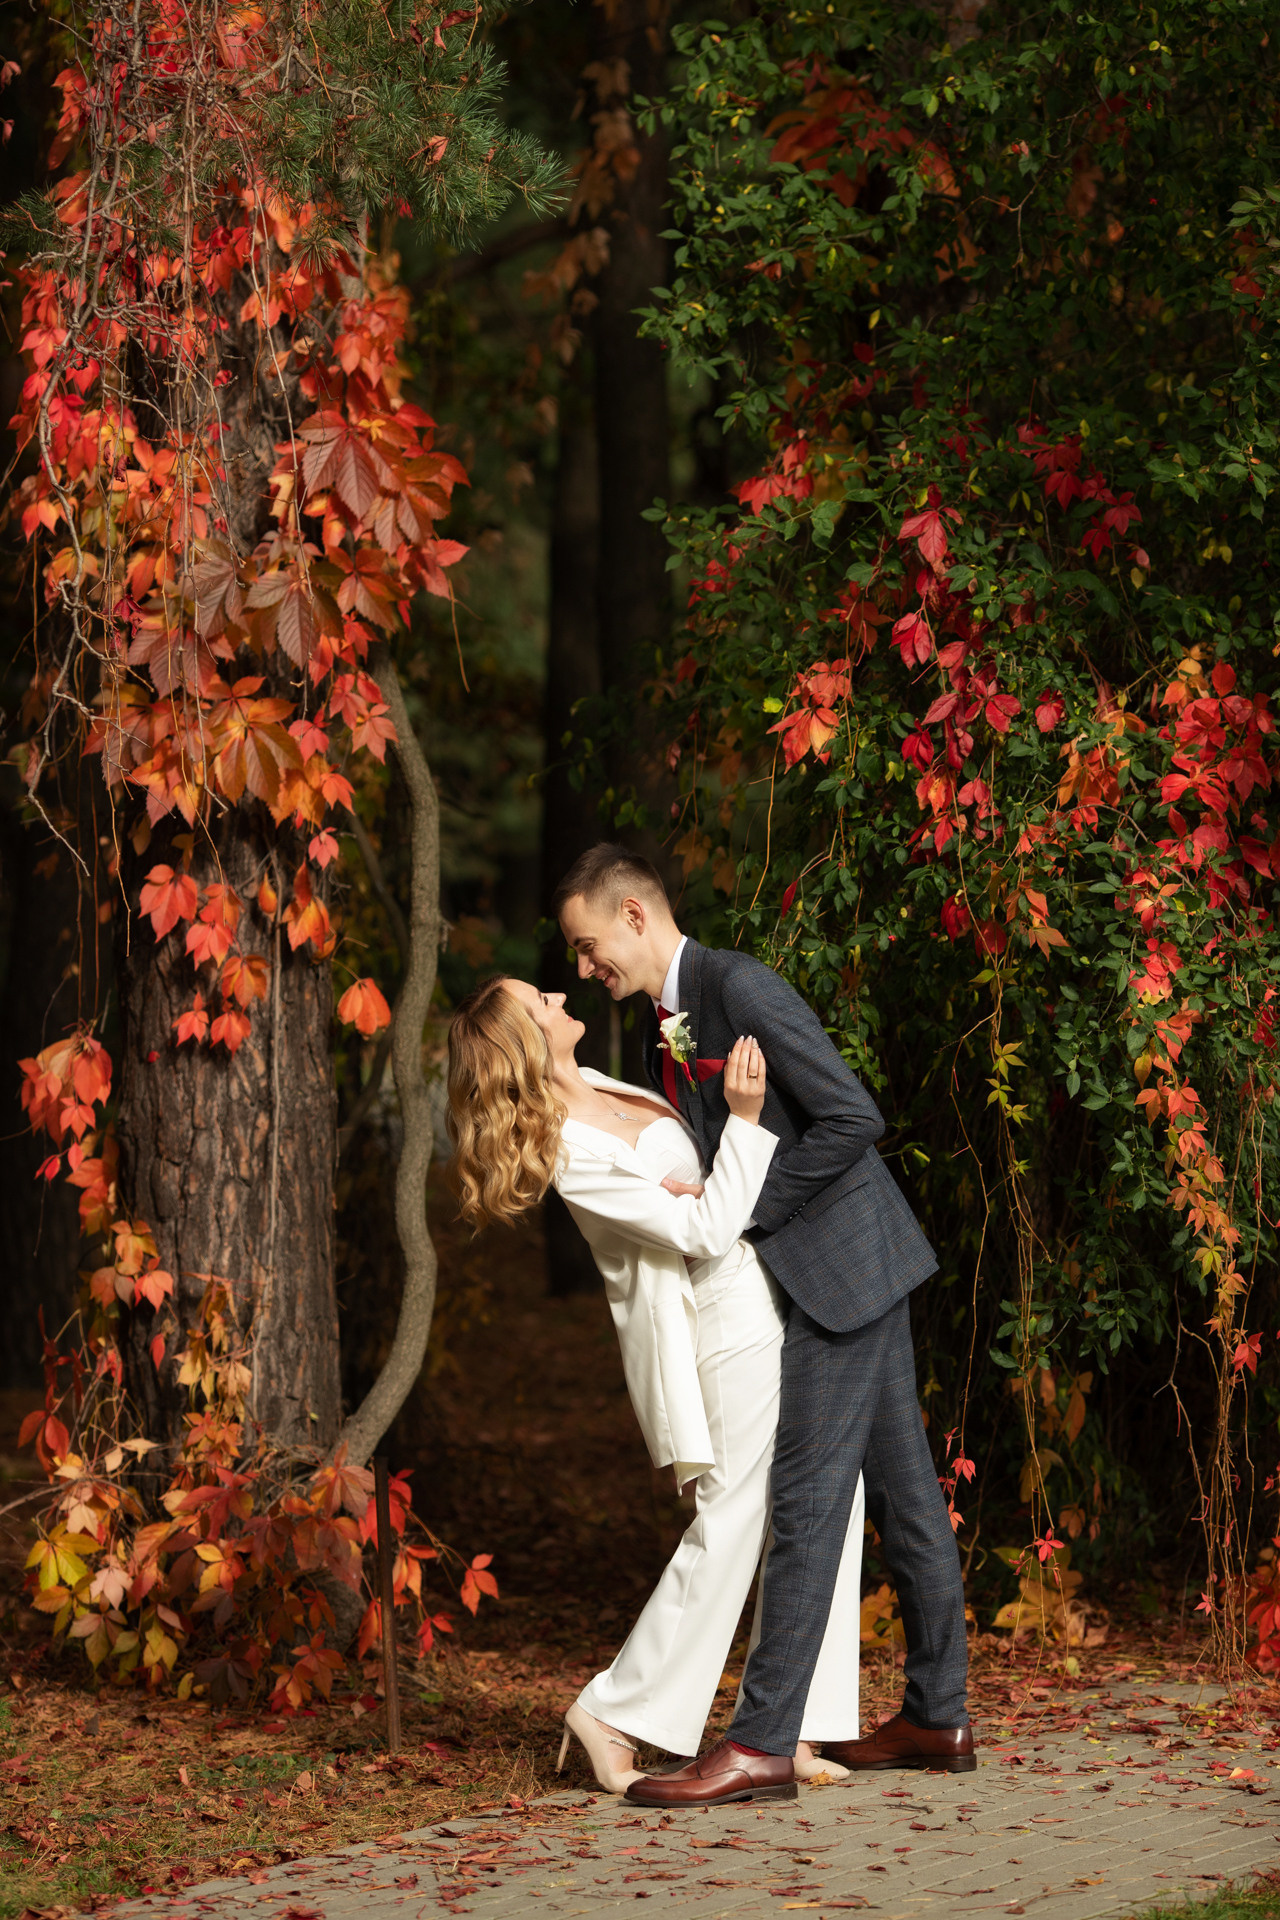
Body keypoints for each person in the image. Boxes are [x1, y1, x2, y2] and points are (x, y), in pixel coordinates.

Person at [552, 843, 974, 1810]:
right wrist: (705, 1177)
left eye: (587, 948)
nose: (584, 971)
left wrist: (747, 1208)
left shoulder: (738, 986)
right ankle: (937, 1714)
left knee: (807, 1500)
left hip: (840, 1270)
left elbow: (849, 1117)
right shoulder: (670, 1020)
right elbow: (731, 1135)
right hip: (841, 1269)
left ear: (632, 917)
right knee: (907, 1498)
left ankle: (757, 1744)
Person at [446, 973, 863, 1802]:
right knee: (737, 1517)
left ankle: (796, 1723)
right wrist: (743, 1125)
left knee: (832, 1496)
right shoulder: (570, 1150)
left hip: (774, 1288)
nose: (563, 1003)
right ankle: (611, 1713)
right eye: (543, 1006)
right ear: (524, 1042)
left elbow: (709, 1193)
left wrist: (722, 1162)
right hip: (716, 1318)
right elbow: (704, 1231)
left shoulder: (608, 1086)